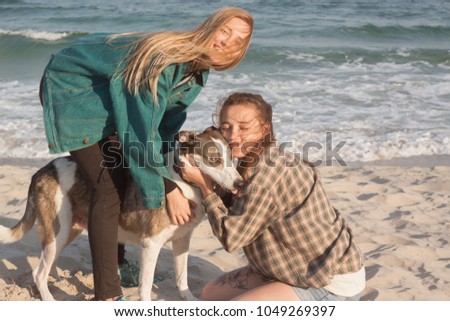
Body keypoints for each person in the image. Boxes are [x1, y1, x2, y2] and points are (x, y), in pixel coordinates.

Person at [39, 8, 253, 301]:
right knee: (106, 187)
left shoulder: (197, 70)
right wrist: (168, 188)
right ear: (210, 27)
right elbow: (139, 135)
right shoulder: (166, 62)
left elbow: (164, 125)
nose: (228, 42)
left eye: (239, 40)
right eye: (225, 31)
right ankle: (108, 294)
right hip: (73, 88)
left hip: (109, 94)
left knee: (126, 169)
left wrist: (166, 173)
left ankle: (116, 263)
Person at [180, 92, 365, 301]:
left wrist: (205, 187)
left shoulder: (266, 175)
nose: (232, 136)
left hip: (328, 280)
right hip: (287, 268)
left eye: (244, 127)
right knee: (210, 293)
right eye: (226, 127)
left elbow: (231, 238)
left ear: (265, 128)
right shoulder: (248, 159)